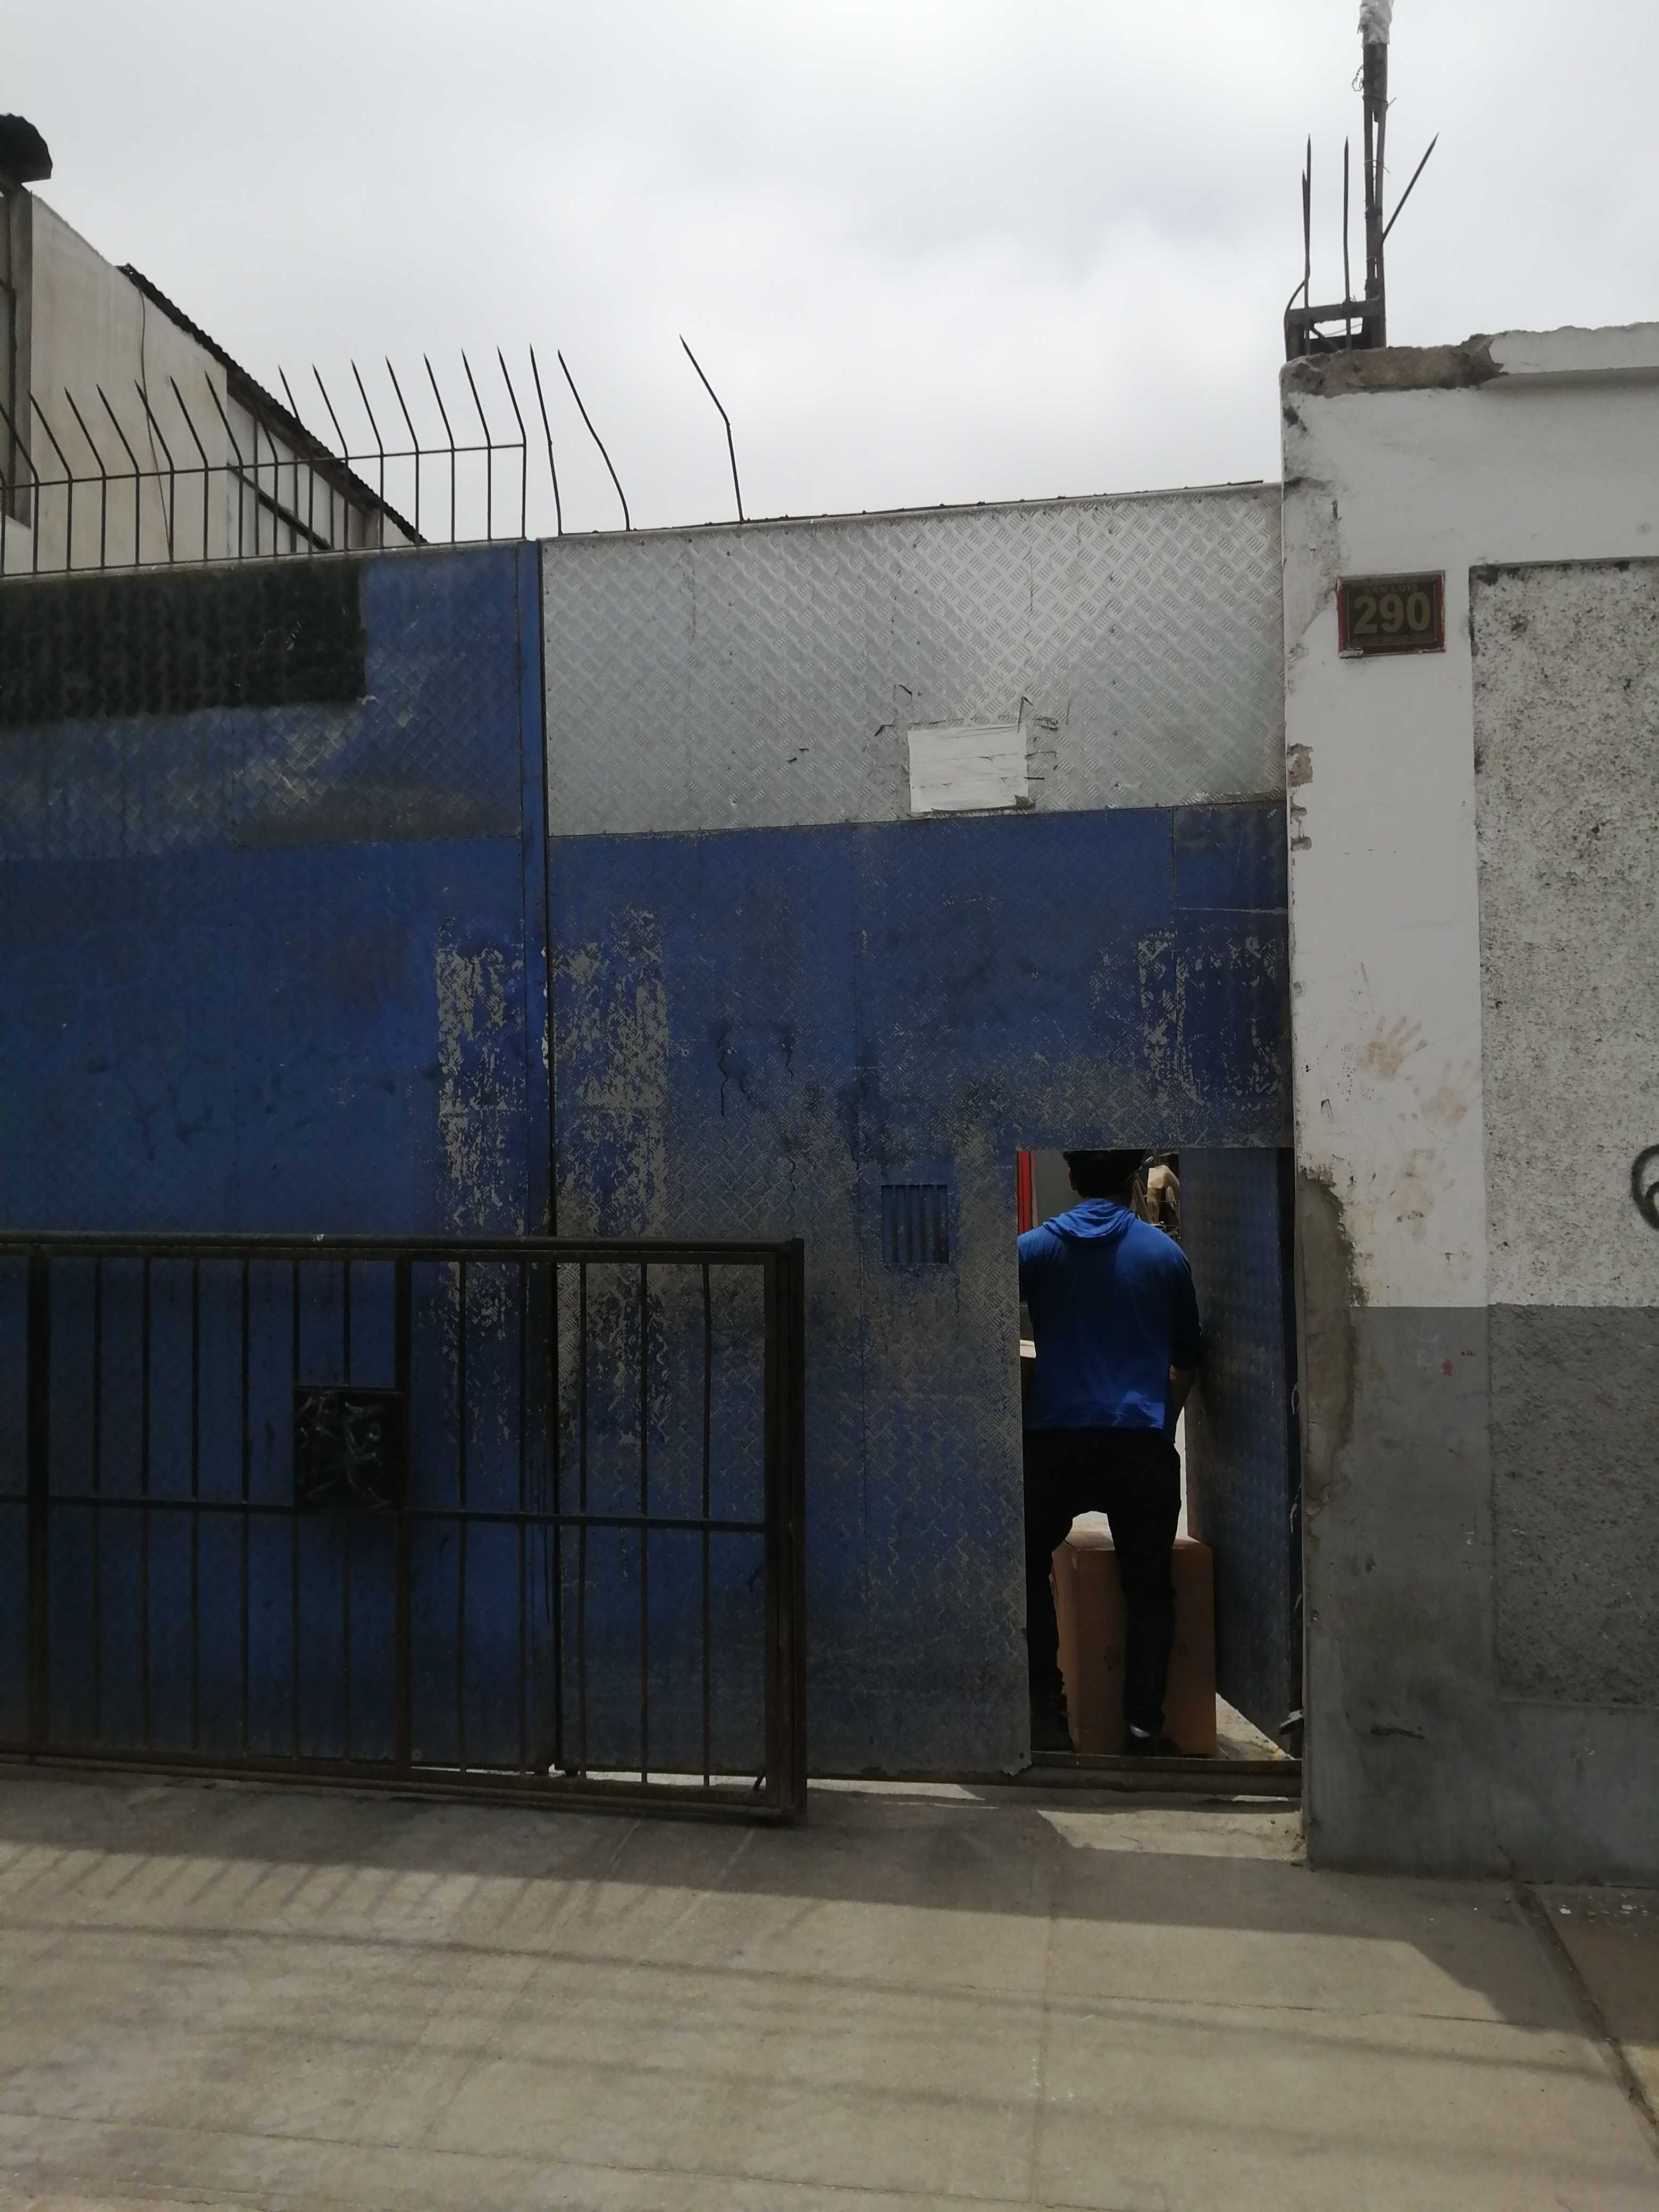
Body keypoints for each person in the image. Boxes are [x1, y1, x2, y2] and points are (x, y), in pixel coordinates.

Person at [1018, 1147, 1202, 1755]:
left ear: (1071, 1178)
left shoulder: (1033, 1250)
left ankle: (1046, 1717)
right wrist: (1159, 1426)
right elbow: (1186, 1360)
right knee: (1148, 1583)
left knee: (1024, 1565)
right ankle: (1143, 1727)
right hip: (1137, 1442)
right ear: (1133, 1181)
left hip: (1054, 1442)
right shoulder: (1164, 1255)